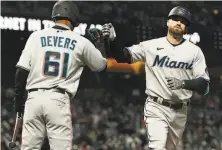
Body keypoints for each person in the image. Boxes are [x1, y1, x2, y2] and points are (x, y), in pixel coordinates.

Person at [102, 6, 210, 150]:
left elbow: (204, 85)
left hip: (180, 109)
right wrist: (112, 41)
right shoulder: (151, 46)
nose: (179, 23)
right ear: (167, 22)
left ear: (186, 28)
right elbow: (122, 56)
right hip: (156, 106)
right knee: (157, 147)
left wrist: (183, 83)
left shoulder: (195, 52)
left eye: (183, 22)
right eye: (175, 19)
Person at [13, 1, 107, 149]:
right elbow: (101, 66)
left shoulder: (36, 36)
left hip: (33, 99)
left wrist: (18, 103)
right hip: (57, 99)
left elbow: (21, 71)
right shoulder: (80, 41)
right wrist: (100, 43)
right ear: (74, 18)